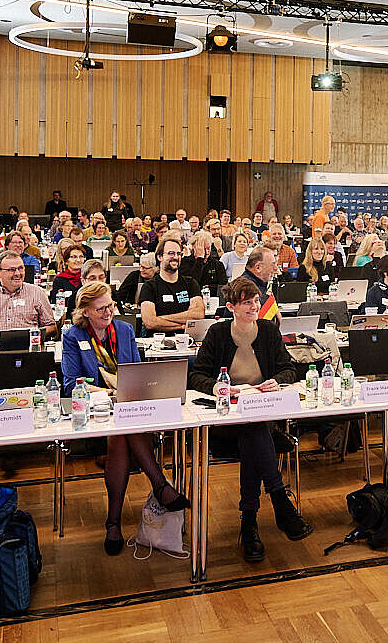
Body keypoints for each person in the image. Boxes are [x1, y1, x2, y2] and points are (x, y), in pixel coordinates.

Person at [61, 281, 189, 554]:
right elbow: (72, 384)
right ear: (85, 311)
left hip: (129, 406)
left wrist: (130, 392)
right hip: (96, 410)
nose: (108, 312)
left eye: (110, 306)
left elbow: (137, 373)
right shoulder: (73, 336)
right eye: (101, 309)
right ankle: (159, 485)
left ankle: (114, 522)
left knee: (121, 433)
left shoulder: (124, 330)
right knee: (120, 430)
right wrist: (110, 392)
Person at [189, 277, 311, 562]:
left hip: (263, 414)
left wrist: (276, 381)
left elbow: (289, 369)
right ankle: (279, 500)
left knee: (253, 432)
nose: (254, 307)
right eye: (247, 303)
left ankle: (250, 521)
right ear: (231, 306)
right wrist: (217, 387)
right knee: (252, 432)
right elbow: (196, 375)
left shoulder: (268, 331)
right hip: (226, 420)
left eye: (256, 301)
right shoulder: (218, 333)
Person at [139, 235, 206, 334]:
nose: (175, 257)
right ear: (160, 257)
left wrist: (160, 318)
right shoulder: (149, 287)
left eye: (178, 254)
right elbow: (150, 322)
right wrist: (181, 326)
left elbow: (198, 314)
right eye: (171, 253)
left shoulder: (191, 283)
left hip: (186, 340)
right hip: (159, 341)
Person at [51, 244, 87, 317]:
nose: (78, 260)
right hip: (66, 316)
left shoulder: (87, 278)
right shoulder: (59, 279)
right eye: (74, 257)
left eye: (81, 257)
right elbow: (55, 302)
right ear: (66, 261)